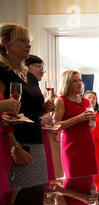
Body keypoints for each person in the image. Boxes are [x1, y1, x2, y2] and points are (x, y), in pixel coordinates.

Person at [0, 23, 54, 187]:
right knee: (19, 201)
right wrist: (15, 147)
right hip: (16, 143)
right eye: (22, 41)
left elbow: (32, 112)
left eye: (28, 41)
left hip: (36, 140)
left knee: (36, 194)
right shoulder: (2, 72)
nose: (28, 45)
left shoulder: (29, 76)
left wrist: (44, 109)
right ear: (5, 43)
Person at [53, 70, 98, 178]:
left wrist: (93, 121)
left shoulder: (85, 101)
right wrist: (78, 118)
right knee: (73, 181)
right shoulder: (61, 100)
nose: (79, 83)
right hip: (71, 146)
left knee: (89, 180)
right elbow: (55, 125)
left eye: (80, 80)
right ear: (67, 83)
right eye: (74, 81)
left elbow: (90, 126)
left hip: (87, 145)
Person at [24, 54, 57, 181]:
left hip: (37, 133)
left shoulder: (34, 84)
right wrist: (41, 118)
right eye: (38, 66)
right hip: (25, 136)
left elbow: (34, 112)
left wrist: (45, 109)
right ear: (26, 66)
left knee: (41, 176)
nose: (41, 71)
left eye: (42, 68)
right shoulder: (26, 83)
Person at [85, 90, 99, 173]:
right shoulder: (82, 114)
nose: (92, 100)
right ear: (84, 100)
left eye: (94, 98)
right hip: (87, 147)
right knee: (88, 173)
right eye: (89, 98)